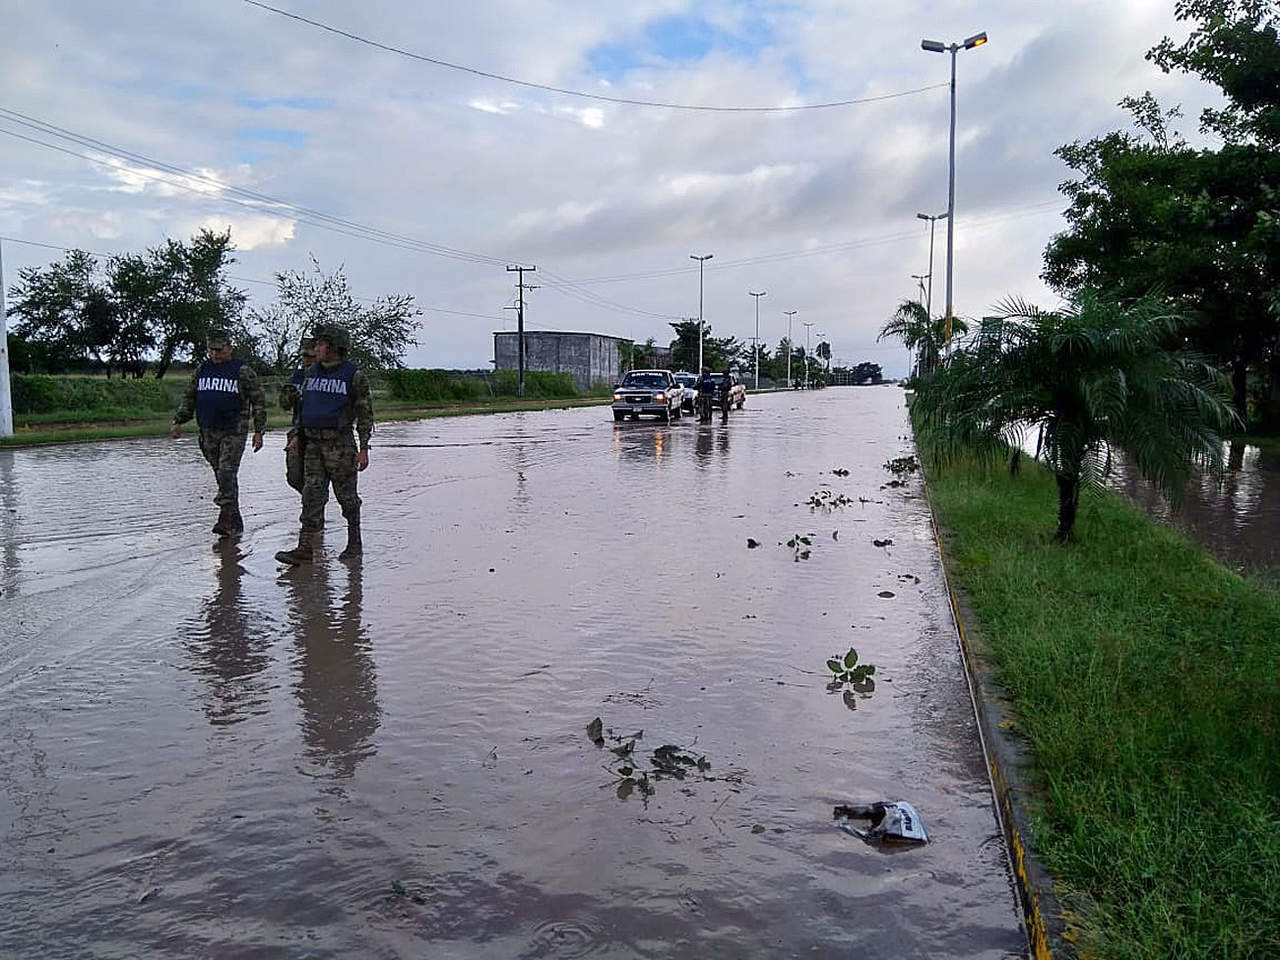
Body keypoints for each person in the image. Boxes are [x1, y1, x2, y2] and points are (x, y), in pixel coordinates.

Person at [275, 325, 373, 565]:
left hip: (340, 445)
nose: (315, 348)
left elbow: (365, 413)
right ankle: (305, 548)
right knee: (311, 496)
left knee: (347, 498)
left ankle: (354, 543)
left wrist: (363, 448)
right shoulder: (311, 373)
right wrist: (297, 435)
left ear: (334, 347)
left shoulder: (353, 375)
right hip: (312, 445)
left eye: (320, 344)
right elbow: (303, 409)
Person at [170, 328, 266, 536]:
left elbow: (258, 400)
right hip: (207, 430)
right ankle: (234, 518)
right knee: (221, 474)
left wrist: (259, 430)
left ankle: (225, 518)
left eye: (219, 350)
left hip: (233, 430)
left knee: (226, 472)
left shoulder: (242, 371)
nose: (215, 354)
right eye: (211, 350)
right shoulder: (202, 369)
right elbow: (190, 397)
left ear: (229, 349)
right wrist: (179, 421)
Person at [279, 337, 318, 494]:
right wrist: (290, 397)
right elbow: (284, 405)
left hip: (315, 432)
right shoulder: (297, 376)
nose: (306, 360)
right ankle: (312, 501)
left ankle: (313, 507)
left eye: (310, 356)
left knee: (314, 478)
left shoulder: (324, 376)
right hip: (296, 431)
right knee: (294, 476)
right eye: (304, 356)